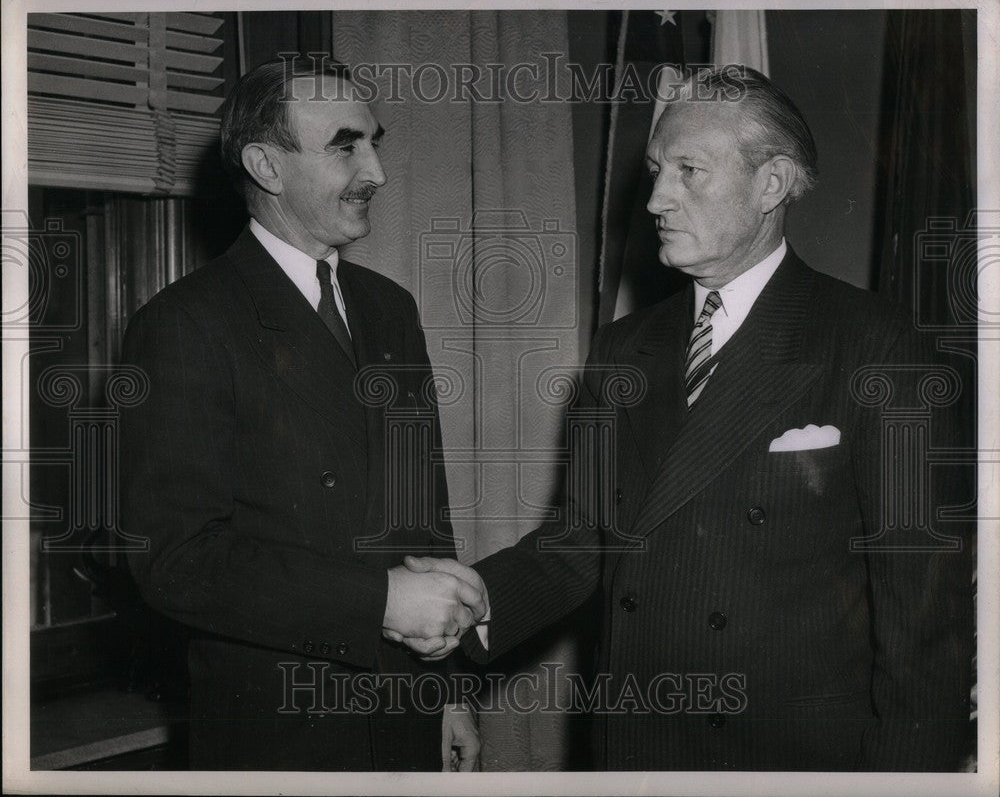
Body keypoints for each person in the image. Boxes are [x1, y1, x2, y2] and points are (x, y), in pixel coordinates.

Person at [395, 67, 973, 771]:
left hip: (791, 763)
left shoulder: (874, 343)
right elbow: (578, 546)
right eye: (655, 170)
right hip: (638, 750)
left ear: (772, 184)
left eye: (688, 171)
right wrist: (476, 600)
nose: (656, 199)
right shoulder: (622, 347)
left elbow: (923, 621)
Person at [120, 58, 484, 771]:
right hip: (284, 734)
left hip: (405, 711)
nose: (376, 170)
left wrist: (448, 690)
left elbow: (425, 519)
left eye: (375, 142)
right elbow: (174, 561)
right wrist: (378, 601)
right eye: (346, 146)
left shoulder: (390, 309)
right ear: (266, 165)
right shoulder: (184, 324)